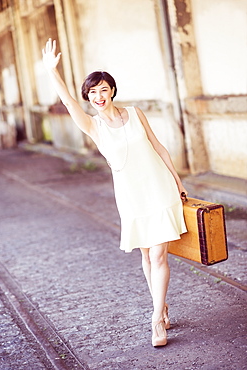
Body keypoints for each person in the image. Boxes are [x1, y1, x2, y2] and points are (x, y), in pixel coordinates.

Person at [42, 38, 188, 347]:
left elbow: (158, 147)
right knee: (147, 257)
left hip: (160, 188)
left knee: (159, 254)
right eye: (92, 92)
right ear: (88, 97)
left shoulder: (135, 114)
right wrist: (52, 71)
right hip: (131, 195)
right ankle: (161, 306)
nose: (98, 96)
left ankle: (155, 319)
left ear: (112, 90)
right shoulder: (93, 126)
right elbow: (68, 102)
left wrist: (178, 181)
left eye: (103, 89)